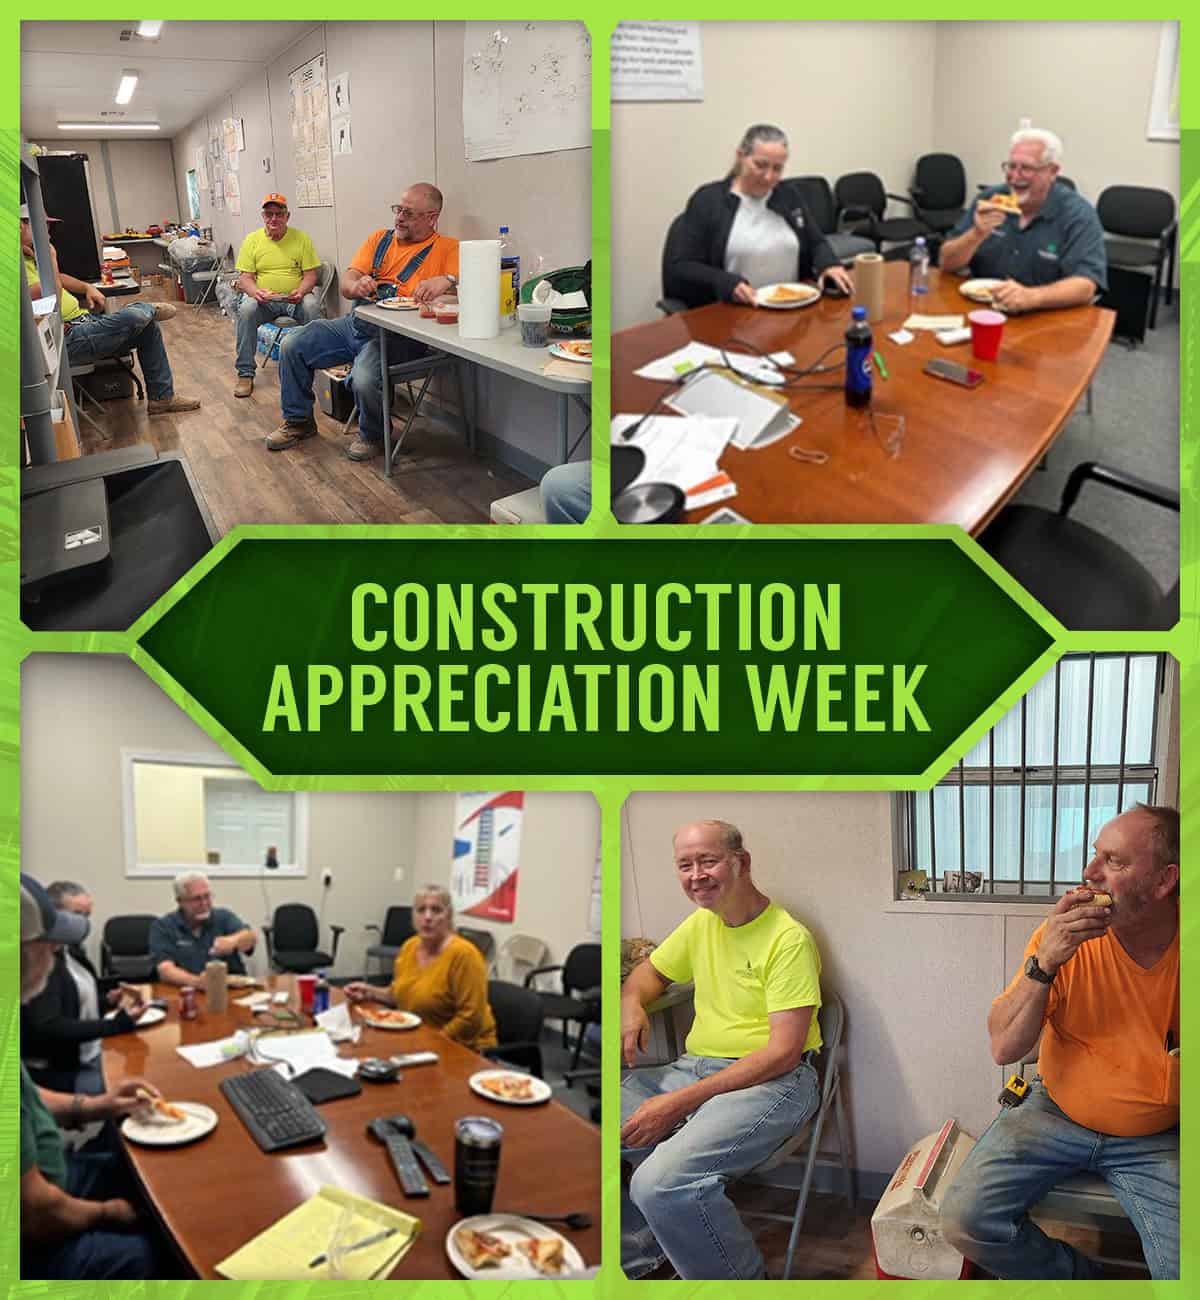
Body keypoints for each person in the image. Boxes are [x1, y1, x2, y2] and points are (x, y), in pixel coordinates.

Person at [942, 804, 1179, 1280]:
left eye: (1114, 862)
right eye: (1094, 856)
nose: (1089, 873)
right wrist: (1045, 963)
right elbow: (1004, 1050)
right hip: (1055, 1111)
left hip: (1159, 1136)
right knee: (964, 1220)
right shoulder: (1062, 938)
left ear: (1162, 882)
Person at [620, 820, 823, 1280]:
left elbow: (784, 1053)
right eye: (685, 865)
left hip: (774, 1081)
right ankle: (651, 1262)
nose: (696, 875)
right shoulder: (700, 924)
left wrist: (678, 1102)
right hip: (697, 1069)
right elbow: (646, 976)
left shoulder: (788, 939)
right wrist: (632, 1003)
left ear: (741, 862)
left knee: (659, 1184)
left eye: (708, 861)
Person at [20, 874, 166, 1278]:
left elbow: (28, 1095)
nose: (54, 954)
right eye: (44, 944)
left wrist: (98, 1104)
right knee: (162, 1250)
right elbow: (37, 1213)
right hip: (33, 1242)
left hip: (55, 1176)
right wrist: (108, 1213)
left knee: (138, 1164)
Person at [269, 184, 459, 460]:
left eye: (409, 213)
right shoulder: (379, 240)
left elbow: (470, 284)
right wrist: (356, 286)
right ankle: (299, 422)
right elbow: (348, 280)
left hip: (400, 339)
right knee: (293, 344)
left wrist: (448, 281)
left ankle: (373, 435)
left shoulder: (448, 248)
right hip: (357, 324)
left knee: (365, 378)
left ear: (431, 217)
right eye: (398, 209)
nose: (399, 217)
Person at [21, 206, 200, 415]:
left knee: (147, 328)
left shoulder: (28, 256)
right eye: (43, 226)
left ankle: (162, 399)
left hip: (82, 323)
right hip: (64, 339)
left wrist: (87, 287)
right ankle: (143, 308)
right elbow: (52, 297)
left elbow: (58, 278)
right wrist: (50, 257)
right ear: (20, 226)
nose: (48, 232)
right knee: (134, 317)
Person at [664, 124, 853, 311]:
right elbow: (682, 265)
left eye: (777, 168)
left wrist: (829, 264)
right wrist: (725, 282)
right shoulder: (709, 200)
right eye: (760, 165)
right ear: (741, 157)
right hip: (734, 312)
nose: (768, 177)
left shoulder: (788, 195)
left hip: (792, 306)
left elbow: (816, 242)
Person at [939, 128, 1107, 313]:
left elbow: (1086, 285)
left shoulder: (1078, 214)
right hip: (983, 311)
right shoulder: (990, 200)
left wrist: (1032, 297)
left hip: (1045, 315)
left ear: (1052, 171)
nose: (1015, 176)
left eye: (1026, 168)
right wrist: (975, 235)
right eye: (1011, 166)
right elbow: (946, 262)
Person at [22, 881, 147, 1096]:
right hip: (65, 1072)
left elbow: (74, 1002)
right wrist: (115, 1025)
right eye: (77, 915)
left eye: (87, 916)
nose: (83, 925)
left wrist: (106, 1000)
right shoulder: (42, 961)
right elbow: (49, 1026)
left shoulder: (69, 950)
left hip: (92, 1051)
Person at [343, 885, 497, 1052]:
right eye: (421, 910)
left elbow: (470, 1018)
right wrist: (370, 992)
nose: (428, 917)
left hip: (465, 1049)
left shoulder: (464, 955)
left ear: (449, 915)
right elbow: (400, 994)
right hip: (420, 1040)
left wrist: (432, 1042)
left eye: (436, 910)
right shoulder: (410, 946)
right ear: (413, 916)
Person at [231, 193, 322, 397]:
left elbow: (310, 276)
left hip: (293, 300)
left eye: (279, 214)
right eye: (269, 214)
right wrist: (256, 292)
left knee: (312, 305)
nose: (274, 219)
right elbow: (245, 279)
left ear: (287, 216)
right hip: (264, 301)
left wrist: (301, 290)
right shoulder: (252, 240)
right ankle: (245, 373)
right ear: (263, 216)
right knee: (246, 308)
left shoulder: (302, 239)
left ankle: (318, 367)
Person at [148, 872, 257, 987]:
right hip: (187, 991)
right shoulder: (163, 926)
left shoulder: (223, 917)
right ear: (180, 901)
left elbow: (250, 937)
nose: (204, 903)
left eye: (207, 896)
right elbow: (165, 970)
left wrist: (234, 940)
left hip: (230, 990)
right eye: (196, 899)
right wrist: (197, 982)